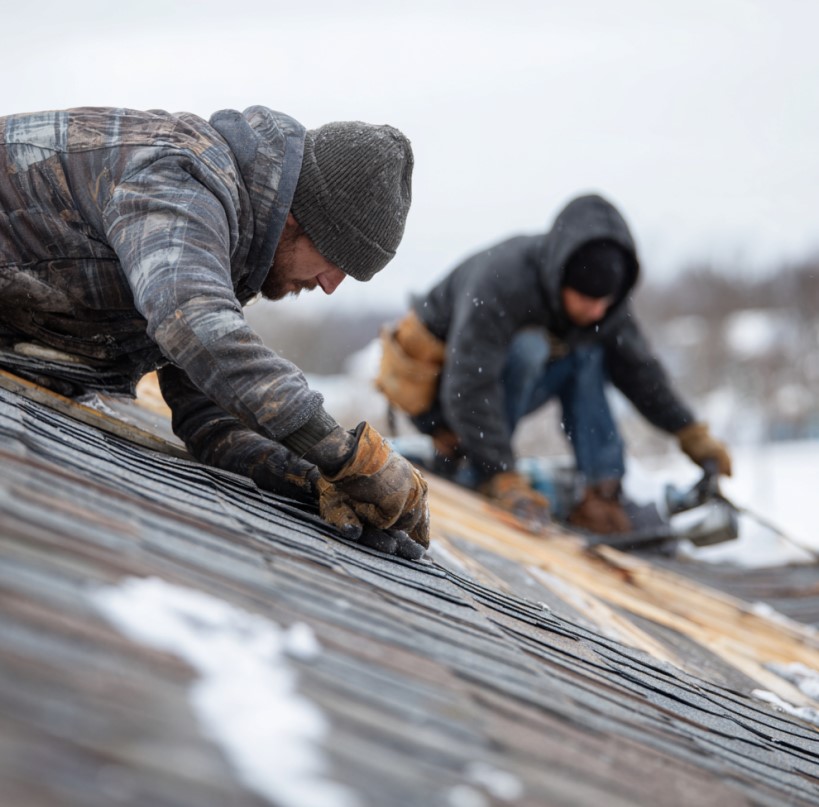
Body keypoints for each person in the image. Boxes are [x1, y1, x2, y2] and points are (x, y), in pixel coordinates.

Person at [0, 105, 429, 555]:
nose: (328, 285)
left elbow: (208, 417)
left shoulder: (222, 243)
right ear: (295, 221)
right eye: (334, 262)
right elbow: (192, 323)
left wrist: (311, 474)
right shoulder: (181, 175)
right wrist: (343, 453)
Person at [376, 193, 731, 535]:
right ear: (561, 278)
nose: (596, 310)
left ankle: (601, 495)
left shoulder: (603, 308)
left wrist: (691, 433)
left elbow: (639, 369)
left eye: (604, 302)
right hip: (446, 401)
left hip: (488, 397)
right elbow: (468, 383)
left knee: (588, 350)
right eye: (585, 299)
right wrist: (499, 474)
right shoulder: (503, 279)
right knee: (530, 348)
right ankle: (477, 468)